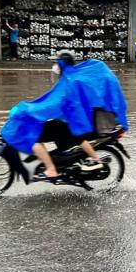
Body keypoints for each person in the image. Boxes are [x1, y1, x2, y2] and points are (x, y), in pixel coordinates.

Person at [32, 51, 105, 181]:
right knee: (64, 146)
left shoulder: (69, 81)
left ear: (62, 65)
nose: (55, 66)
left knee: (33, 137)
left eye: (57, 63)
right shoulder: (70, 78)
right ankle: (62, 166)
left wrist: (36, 111)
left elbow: (58, 103)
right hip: (68, 121)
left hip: (66, 122)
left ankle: (51, 170)